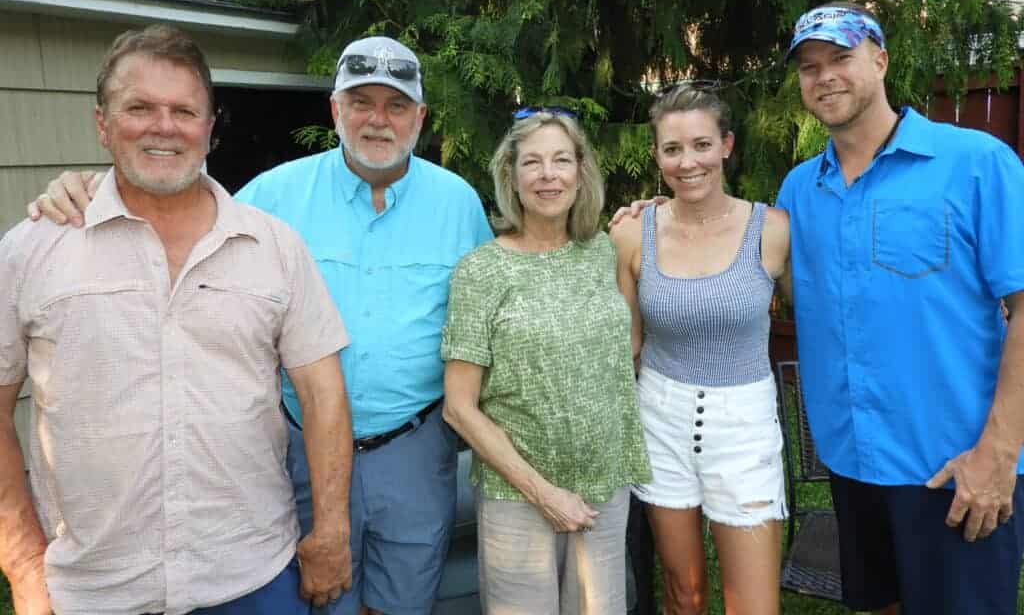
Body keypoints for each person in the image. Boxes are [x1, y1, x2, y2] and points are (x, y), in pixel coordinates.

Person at [29, 35, 494, 615]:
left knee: (407, 598)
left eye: (396, 105)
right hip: (298, 445)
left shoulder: (459, 203)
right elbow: (181, 218)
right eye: (361, 102)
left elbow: (493, 312)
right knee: (318, 597)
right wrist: (88, 187)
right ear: (334, 110)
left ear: (420, 117)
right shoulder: (272, 197)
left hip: (414, 449)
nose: (378, 120)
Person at [0, 25, 353, 615]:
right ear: (102, 124)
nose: (164, 126)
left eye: (184, 111)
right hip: (94, 590)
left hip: (251, 578)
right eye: (139, 107)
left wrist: (331, 532)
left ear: (209, 129)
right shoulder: (34, 249)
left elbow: (324, 396)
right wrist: (23, 564)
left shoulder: (273, 247)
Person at [778, 2, 1024, 614]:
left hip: (952, 463)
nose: (824, 76)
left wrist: (997, 453)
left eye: (841, 57)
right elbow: (756, 277)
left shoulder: (975, 163)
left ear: (880, 59)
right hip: (853, 456)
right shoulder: (798, 190)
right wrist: (659, 221)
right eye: (809, 67)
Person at [440, 110, 652, 614]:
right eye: (532, 162)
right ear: (511, 177)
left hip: (605, 486)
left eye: (561, 160)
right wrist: (546, 494)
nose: (548, 174)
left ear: (581, 172)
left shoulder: (605, 250)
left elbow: (630, 348)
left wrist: (657, 212)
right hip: (518, 495)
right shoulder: (481, 271)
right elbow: (459, 407)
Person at [609, 85, 789, 615]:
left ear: (727, 145)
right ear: (657, 156)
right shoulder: (630, 234)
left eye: (702, 145)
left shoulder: (774, 229)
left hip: (744, 426)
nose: (688, 162)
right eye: (672, 149)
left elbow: (830, 314)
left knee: (754, 605)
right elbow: (628, 344)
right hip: (660, 416)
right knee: (683, 593)